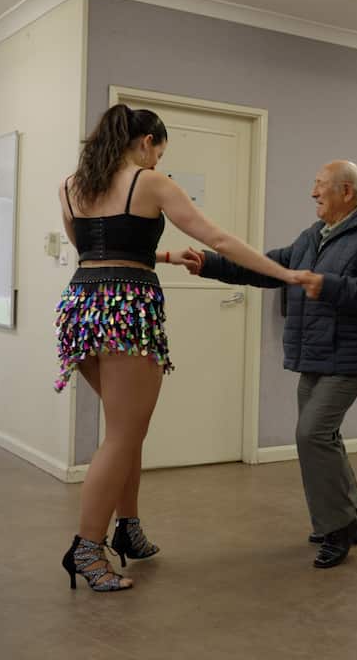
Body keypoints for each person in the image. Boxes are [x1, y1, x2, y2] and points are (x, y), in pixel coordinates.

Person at [56, 104, 308, 592]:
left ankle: (127, 527)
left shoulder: (71, 186)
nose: (157, 163)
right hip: (129, 311)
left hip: (81, 308)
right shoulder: (152, 183)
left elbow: (93, 252)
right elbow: (218, 238)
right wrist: (284, 273)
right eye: (158, 153)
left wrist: (165, 256)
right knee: (123, 436)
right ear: (147, 142)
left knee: (126, 430)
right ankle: (87, 548)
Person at [178, 159, 357, 569]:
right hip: (318, 355)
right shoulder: (313, 237)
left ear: (346, 192)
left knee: (312, 434)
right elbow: (269, 268)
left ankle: (337, 529)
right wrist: (210, 264)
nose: (313, 192)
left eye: (319, 185)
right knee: (324, 436)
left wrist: (329, 285)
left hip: (352, 356)